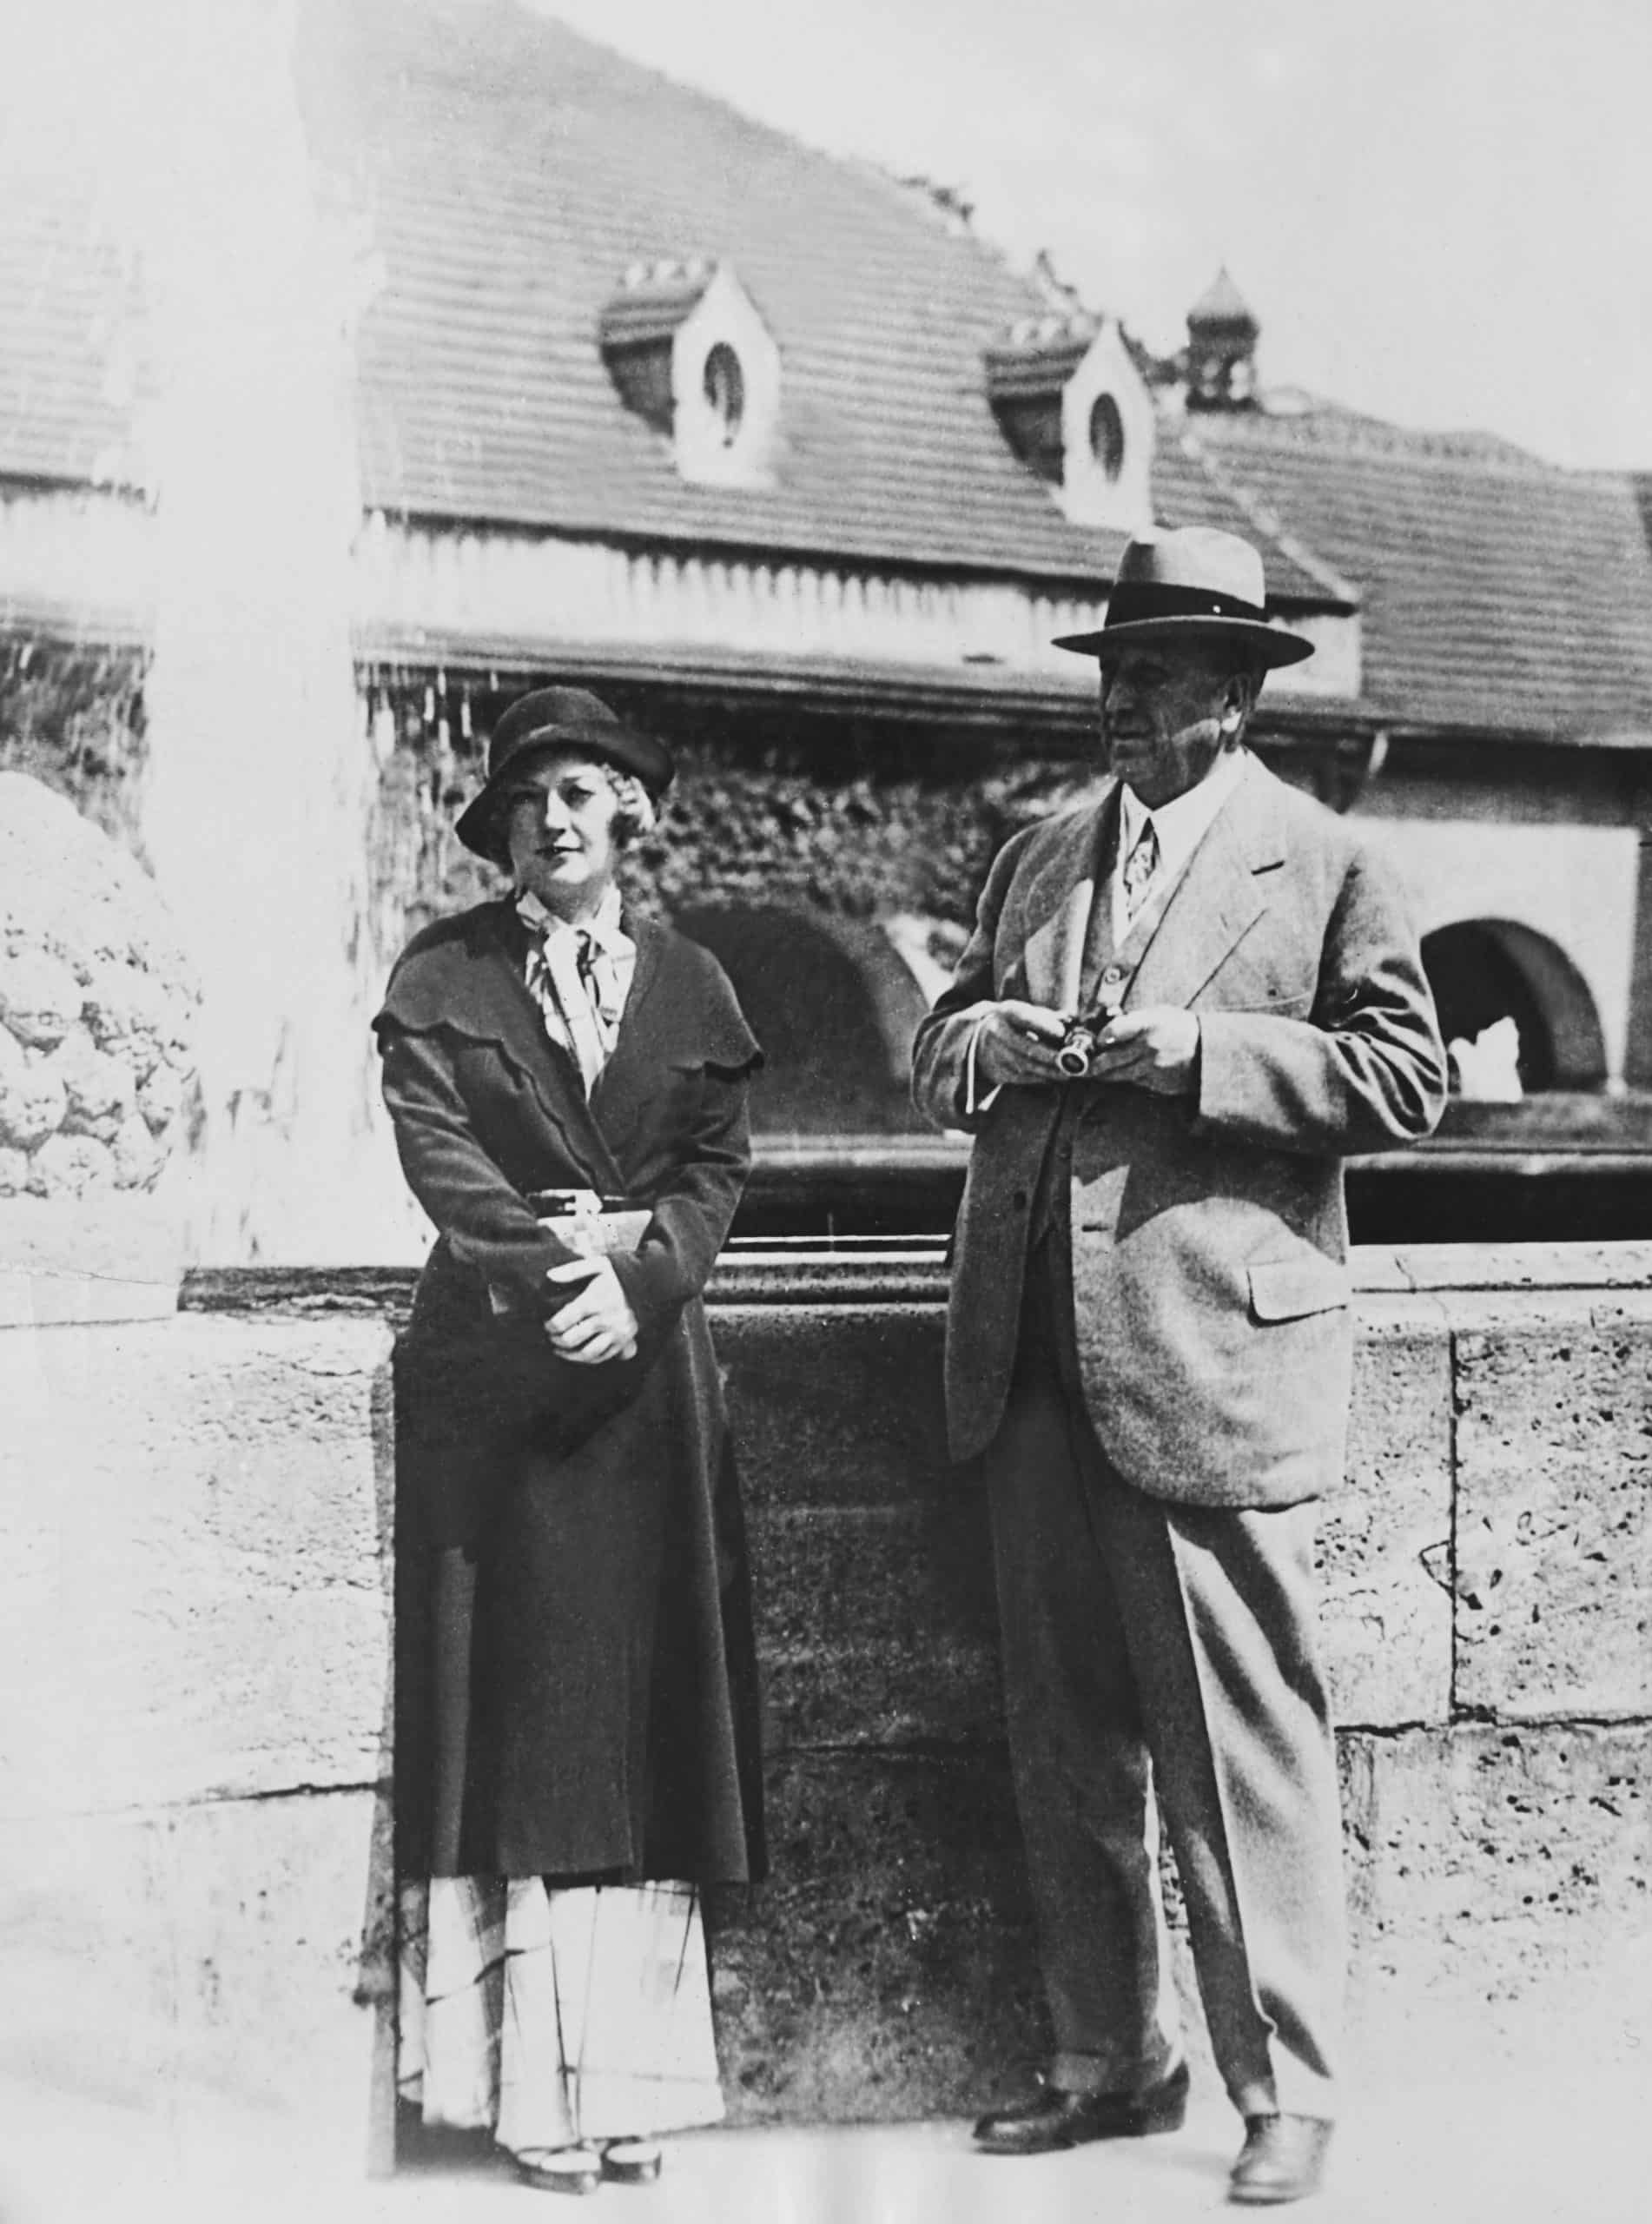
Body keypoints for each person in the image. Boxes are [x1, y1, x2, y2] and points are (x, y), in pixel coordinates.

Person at [912, 526, 1448, 2207]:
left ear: (1231, 696)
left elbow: (1406, 1079)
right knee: (1062, 1734)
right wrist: (972, 1044)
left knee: (1242, 1741)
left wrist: (1203, 1055)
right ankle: (1106, 2063)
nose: (1119, 703)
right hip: (1027, 1355)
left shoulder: (1326, 861)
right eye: (1110, 675)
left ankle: (1286, 2089)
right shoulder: (1036, 858)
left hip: (1206, 1358)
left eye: (1151, 678)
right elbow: (941, 1048)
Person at [373, 686, 764, 2197]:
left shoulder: (694, 983)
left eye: (583, 791)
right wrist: (563, 1278)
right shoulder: (445, 975)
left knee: (638, 1723)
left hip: (647, 1386)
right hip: (504, 1381)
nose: (553, 817)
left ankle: (629, 2096)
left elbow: (719, 1172)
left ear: (631, 820)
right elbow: (443, 1163)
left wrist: (645, 1273)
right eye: (528, 795)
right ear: (505, 826)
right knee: (523, 1715)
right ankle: (518, 2093)